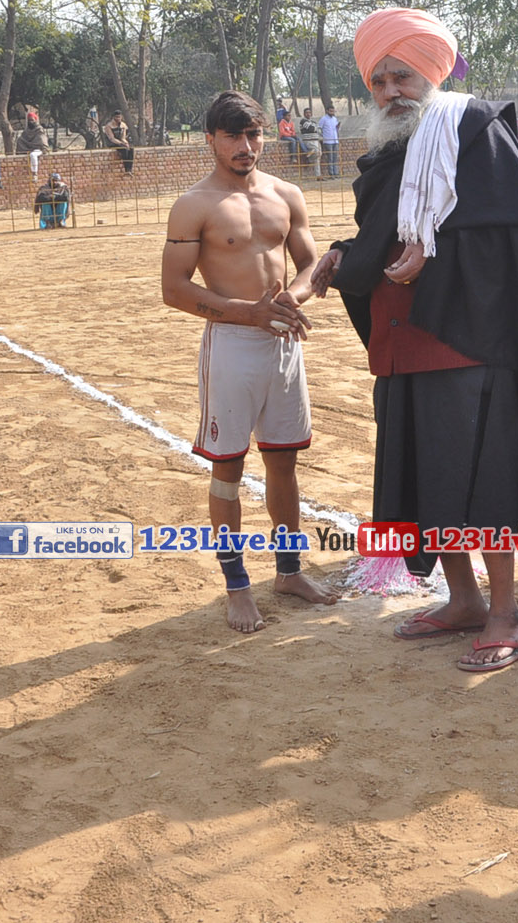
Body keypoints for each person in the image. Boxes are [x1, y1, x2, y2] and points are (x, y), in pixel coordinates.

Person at [309, 7, 518, 672]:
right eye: (378, 82)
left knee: (483, 483)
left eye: (401, 76)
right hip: (401, 344)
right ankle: (462, 600)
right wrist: (347, 253)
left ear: (433, 74)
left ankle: (505, 613)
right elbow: (385, 236)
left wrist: (435, 252)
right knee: (425, 481)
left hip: (469, 343)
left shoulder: (475, 131)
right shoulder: (390, 154)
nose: (390, 92)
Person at [160, 90, 335, 631]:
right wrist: (248, 313)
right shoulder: (195, 204)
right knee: (228, 466)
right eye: (232, 135)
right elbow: (173, 288)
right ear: (211, 140)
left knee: (284, 461)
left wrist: (290, 302)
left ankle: (289, 571)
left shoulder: (286, 194)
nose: (245, 145)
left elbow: (309, 265)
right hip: (232, 344)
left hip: (282, 340)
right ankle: (237, 587)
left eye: (253, 134)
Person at [318, 107, 341, 177]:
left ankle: (336, 173)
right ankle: (331, 173)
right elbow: (319, 128)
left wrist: (338, 127)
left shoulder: (334, 119)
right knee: (330, 158)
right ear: (327, 111)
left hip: (335, 140)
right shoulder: (323, 119)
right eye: (330, 111)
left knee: (335, 157)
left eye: (333, 111)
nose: (332, 112)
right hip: (328, 141)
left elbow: (336, 128)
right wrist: (322, 136)